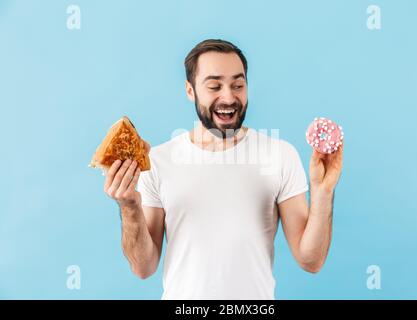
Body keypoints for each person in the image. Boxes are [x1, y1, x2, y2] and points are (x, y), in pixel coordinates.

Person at [103, 39, 343, 299]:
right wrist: (129, 206)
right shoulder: (159, 161)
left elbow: (311, 261)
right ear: (190, 90)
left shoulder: (280, 155)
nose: (229, 97)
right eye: (214, 86)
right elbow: (143, 267)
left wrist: (323, 191)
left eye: (238, 85)